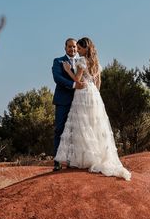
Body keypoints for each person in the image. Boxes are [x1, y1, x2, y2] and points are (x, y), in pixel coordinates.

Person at [54, 37, 131, 181]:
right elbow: (98, 81)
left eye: (79, 48)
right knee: (93, 124)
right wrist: (96, 94)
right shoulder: (96, 62)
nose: (77, 50)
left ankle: (84, 159)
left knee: (83, 126)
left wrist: (67, 70)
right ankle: (94, 156)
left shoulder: (82, 61)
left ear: (84, 49)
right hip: (94, 94)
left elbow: (77, 80)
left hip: (82, 94)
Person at [51, 38, 86, 171]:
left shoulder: (81, 62)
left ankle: (72, 161)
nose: (72, 49)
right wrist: (73, 84)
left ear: (77, 49)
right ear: (65, 48)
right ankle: (57, 161)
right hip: (62, 101)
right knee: (60, 130)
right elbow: (57, 78)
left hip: (79, 101)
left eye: (74, 47)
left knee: (75, 131)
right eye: (70, 47)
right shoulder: (58, 61)